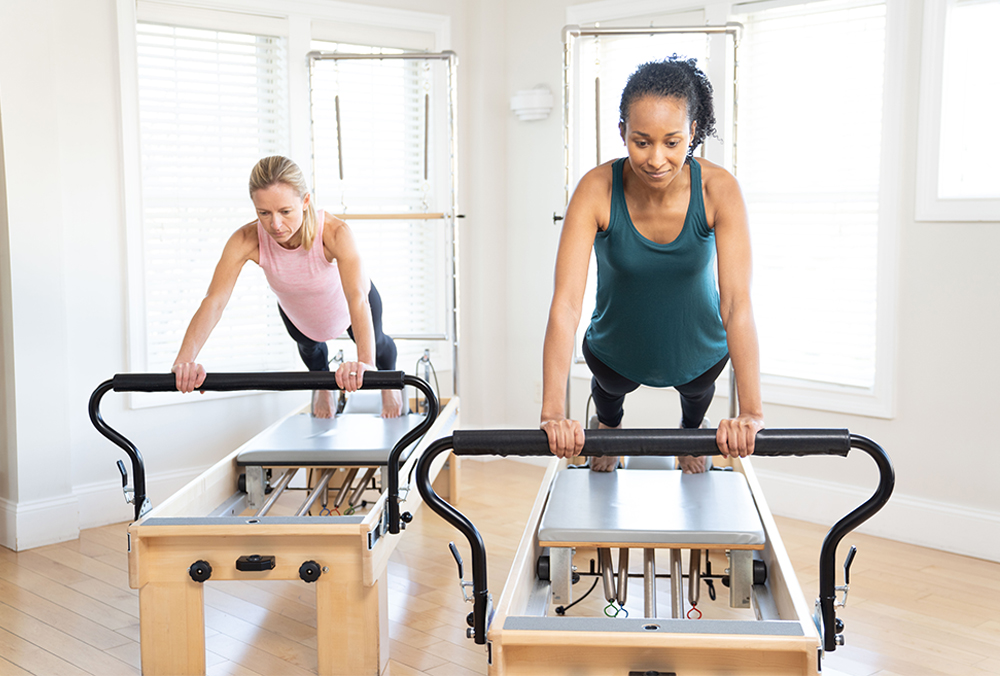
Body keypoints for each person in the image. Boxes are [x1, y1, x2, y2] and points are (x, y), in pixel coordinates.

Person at [540, 56, 763, 472]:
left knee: (698, 388)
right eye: (642, 142)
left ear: (693, 133)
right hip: (615, 347)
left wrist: (750, 410)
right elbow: (567, 304)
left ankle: (690, 433)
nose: (656, 159)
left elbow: (736, 305)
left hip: (698, 346)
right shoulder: (596, 188)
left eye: (672, 142)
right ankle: (609, 425)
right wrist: (553, 410)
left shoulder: (719, 190)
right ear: (622, 132)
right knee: (610, 384)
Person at [171, 155, 403, 418]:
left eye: (285, 211)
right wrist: (184, 360)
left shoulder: (335, 233)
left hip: (350, 306)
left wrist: (366, 364)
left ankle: (390, 384)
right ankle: (322, 385)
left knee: (380, 344)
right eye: (264, 213)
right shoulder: (246, 239)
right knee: (310, 350)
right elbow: (214, 301)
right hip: (299, 313)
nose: (275, 225)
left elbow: (357, 298)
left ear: (305, 202)